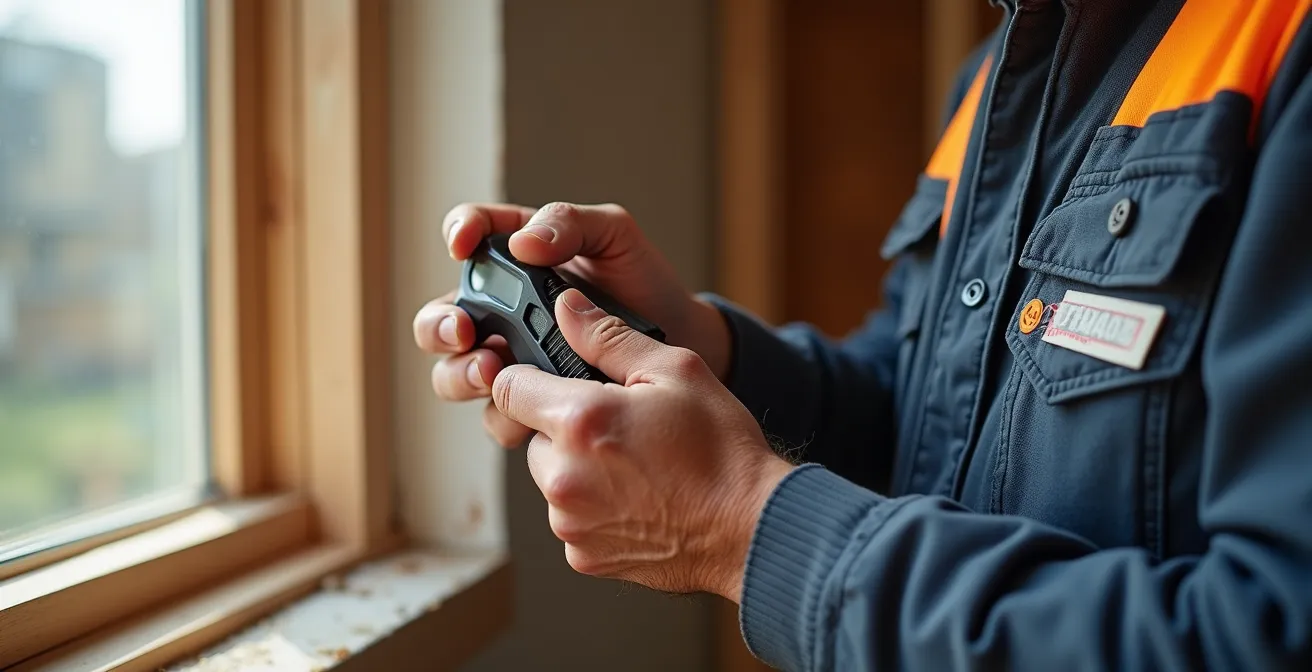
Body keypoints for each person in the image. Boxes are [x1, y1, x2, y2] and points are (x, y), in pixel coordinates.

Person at [414, 0, 1312, 669]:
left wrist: (746, 526)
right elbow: (931, 415)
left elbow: (1268, 630)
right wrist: (694, 345)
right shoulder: (1006, 71)